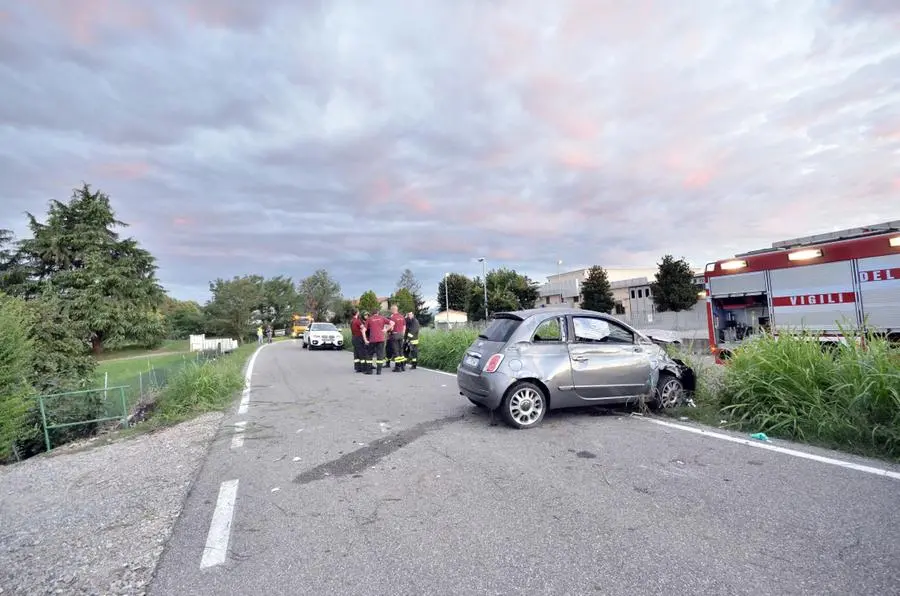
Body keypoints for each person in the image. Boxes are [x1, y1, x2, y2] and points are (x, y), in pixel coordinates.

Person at [362, 309, 393, 375]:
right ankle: (379, 371)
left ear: (372, 313)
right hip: (381, 339)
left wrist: (365, 340)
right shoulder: (382, 318)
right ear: (378, 313)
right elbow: (393, 323)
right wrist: (386, 330)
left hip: (372, 340)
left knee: (369, 355)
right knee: (380, 355)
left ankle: (369, 371)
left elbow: (363, 330)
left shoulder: (369, 319)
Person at [388, 305, 407, 372]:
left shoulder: (392, 317)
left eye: (391, 310)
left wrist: (387, 330)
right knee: (401, 351)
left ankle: (397, 367)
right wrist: (403, 334)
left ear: (393, 310)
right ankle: (402, 366)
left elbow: (391, 327)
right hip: (401, 335)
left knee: (396, 351)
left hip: (395, 335)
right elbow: (404, 327)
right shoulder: (402, 317)